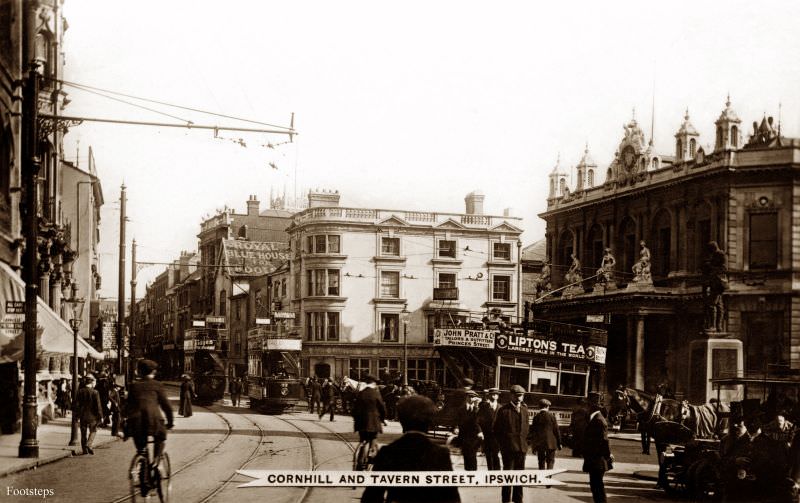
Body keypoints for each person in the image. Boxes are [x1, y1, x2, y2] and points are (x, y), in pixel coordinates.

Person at [361, 395, 460, 503]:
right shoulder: (440, 454)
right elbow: (451, 497)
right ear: (430, 422)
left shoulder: (388, 452)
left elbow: (371, 496)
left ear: (402, 421)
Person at [125, 359, 174, 463]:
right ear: (154, 371)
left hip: (136, 423)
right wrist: (170, 422)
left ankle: (142, 459)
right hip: (154, 421)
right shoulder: (157, 385)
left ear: (139, 371)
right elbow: (166, 406)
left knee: (141, 449)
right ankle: (157, 463)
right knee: (160, 438)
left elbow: (128, 406)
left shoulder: (133, 386)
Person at [493, 384, 530, 503]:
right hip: (508, 449)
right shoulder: (503, 410)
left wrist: (525, 443)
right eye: (517, 396)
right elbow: (497, 430)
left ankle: (518, 499)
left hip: (521, 449)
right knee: (508, 475)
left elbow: (526, 429)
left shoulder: (525, 410)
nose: (519, 398)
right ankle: (506, 499)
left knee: (520, 476)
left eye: (522, 396)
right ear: (512, 396)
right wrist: (503, 446)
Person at [583, 392, 613, 503]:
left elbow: (604, 441)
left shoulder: (598, 420)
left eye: (587, 405)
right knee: (595, 487)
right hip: (595, 460)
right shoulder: (595, 419)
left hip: (597, 461)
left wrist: (608, 455)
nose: (585, 408)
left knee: (597, 487)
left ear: (591, 407)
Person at [352, 375, 386, 466]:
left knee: (363, 438)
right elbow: (382, 408)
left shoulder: (361, 393)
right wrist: (382, 419)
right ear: (374, 383)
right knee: (373, 437)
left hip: (361, 423)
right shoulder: (376, 393)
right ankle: (371, 453)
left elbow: (354, 409)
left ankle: (360, 455)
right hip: (373, 422)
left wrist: (356, 419)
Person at [74, 374, 104, 455]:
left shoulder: (80, 391)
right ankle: (89, 444)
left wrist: (76, 416)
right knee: (93, 431)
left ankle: (84, 450)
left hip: (83, 415)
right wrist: (100, 416)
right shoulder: (95, 392)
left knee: (83, 433)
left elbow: (77, 405)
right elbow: (98, 406)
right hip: (92, 416)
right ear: (91, 383)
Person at [454, 390, 483, 470]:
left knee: (473, 456)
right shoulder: (461, 409)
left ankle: (473, 472)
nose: (471, 399)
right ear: (466, 397)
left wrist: (476, 406)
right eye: (469, 397)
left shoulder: (477, 409)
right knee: (466, 456)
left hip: (474, 436)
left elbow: (477, 420)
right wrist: (456, 428)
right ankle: (468, 473)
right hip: (464, 436)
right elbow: (457, 420)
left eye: (473, 397)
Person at [530, 398, 562, 470]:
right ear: (548, 407)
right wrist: (559, 443)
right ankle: (549, 476)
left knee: (541, 461)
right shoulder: (552, 417)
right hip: (551, 443)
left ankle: (542, 476)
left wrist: (534, 446)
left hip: (540, 443)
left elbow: (533, 432)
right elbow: (556, 430)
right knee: (550, 460)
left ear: (539, 407)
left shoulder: (536, 417)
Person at [477, 387, 502, 470]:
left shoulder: (501, 408)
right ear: (489, 395)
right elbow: (477, 421)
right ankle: (490, 473)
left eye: (496, 394)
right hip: (486, 436)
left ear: (498, 396)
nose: (494, 396)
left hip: (497, 437)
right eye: (492, 394)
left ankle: (497, 474)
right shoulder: (484, 407)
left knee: (495, 455)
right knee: (488, 456)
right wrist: (480, 432)